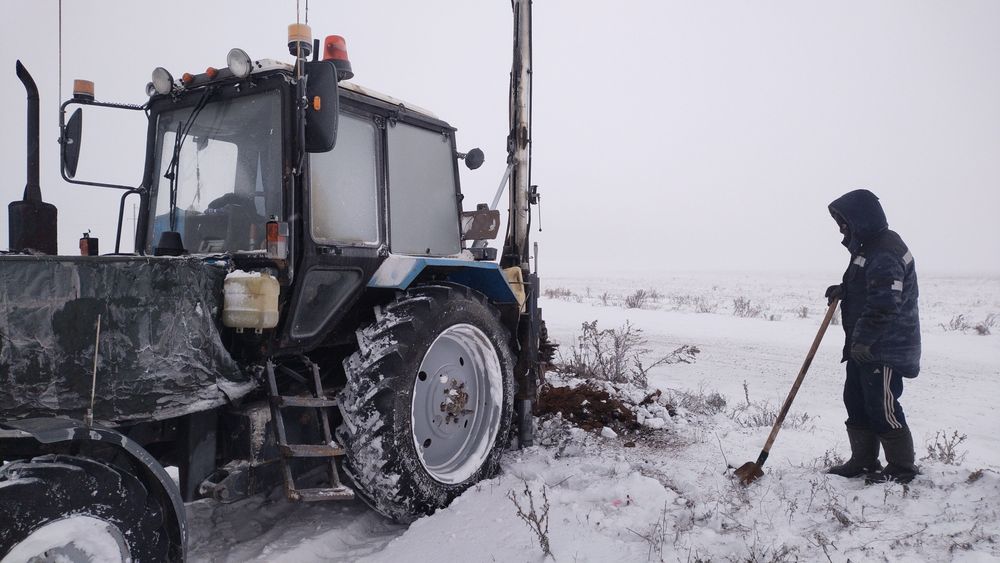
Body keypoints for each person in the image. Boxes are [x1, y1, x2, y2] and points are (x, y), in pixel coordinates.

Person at [824, 189, 920, 484]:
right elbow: (866, 286)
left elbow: (884, 302)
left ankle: (902, 467)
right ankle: (864, 461)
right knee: (855, 399)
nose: (841, 228)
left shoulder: (885, 251)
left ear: (861, 219)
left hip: (885, 347)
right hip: (863, 345)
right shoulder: (868, 247)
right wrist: (844, 290)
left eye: (844, 221)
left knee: (882, 405)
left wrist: (864, 340)